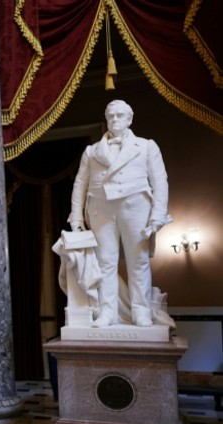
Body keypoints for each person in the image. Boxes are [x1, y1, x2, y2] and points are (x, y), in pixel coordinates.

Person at [68, 100, 170, 328]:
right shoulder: (92, 151)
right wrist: (76, 217)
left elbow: (160, 181)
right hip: (101, 209)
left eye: (120, 115)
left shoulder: (146, 146)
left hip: (136, 207)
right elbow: (80, 184)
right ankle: (107, 312)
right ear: (106, 119)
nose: (115, 120)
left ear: (130, 119)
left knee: (139, 261)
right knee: (105, 263)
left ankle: (141, 311)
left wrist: (157, 215)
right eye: (111, 116)